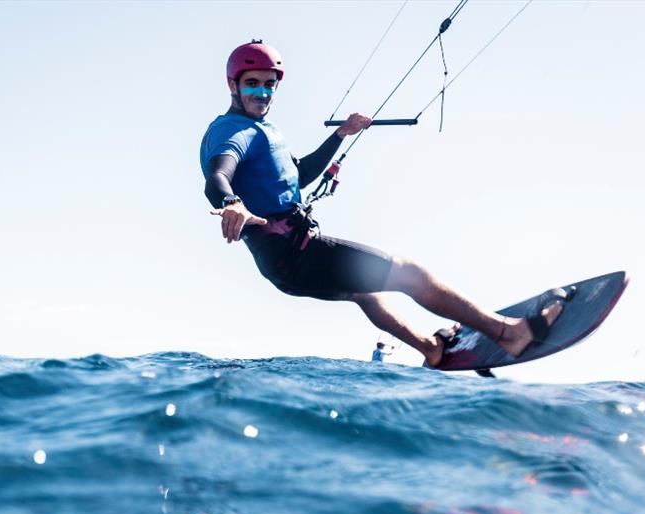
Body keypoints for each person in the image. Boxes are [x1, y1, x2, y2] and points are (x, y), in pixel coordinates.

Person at [200, 39, 568, 368]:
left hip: (284, 264)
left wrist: (339, 135)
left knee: (367, 293)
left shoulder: (264, 129)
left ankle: (431, 349)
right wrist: (231, 202)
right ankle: (508, 334)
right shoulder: (233, 131)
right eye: (253, 84)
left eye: (269, 85)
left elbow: (298, 175)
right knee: (410, 274)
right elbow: (218, 175)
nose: (262, 93)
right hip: (294, 253)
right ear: (233, 85)